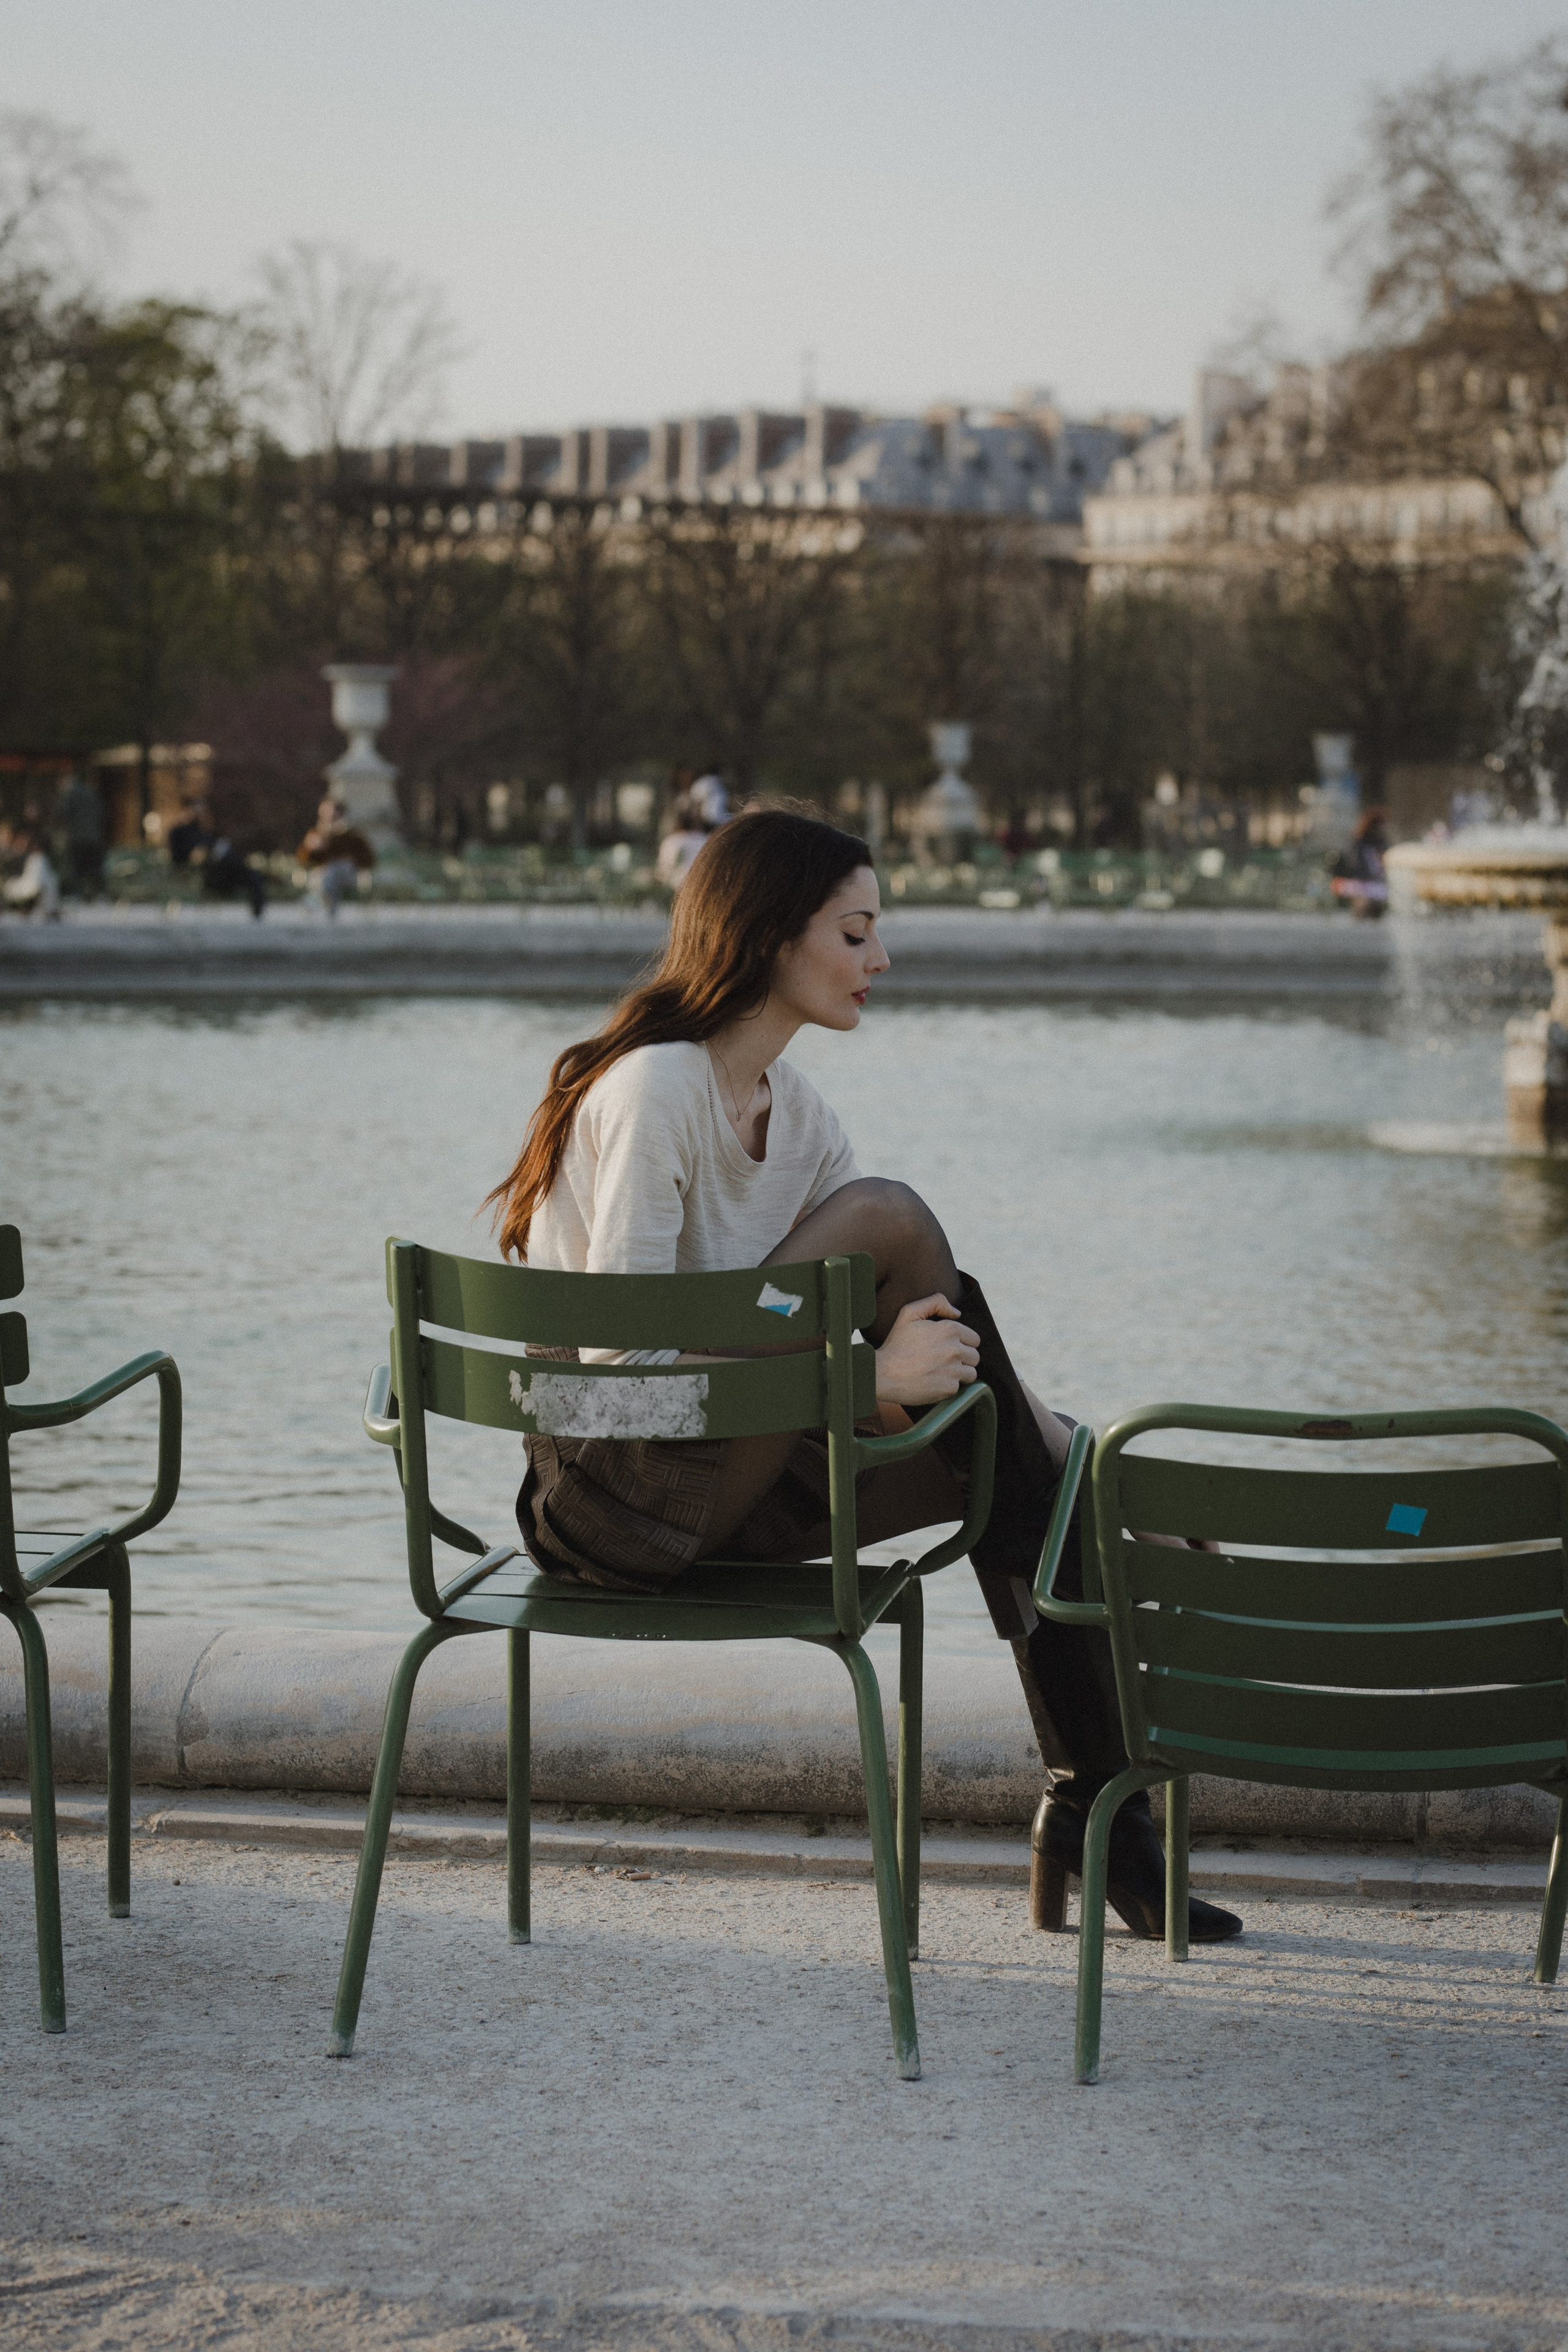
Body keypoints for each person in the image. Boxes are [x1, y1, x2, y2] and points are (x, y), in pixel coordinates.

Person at [486, 807, 1241, 1944]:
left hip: (729, 1486)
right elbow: (615, 1387)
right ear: (770, 935)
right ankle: (1101, 1802)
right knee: (898, 1230)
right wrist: (858, 1389)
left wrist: (1013, 1429)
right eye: (856, 932)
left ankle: (1089, 1796)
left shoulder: (802, 1122)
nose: (880, 960)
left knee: (992, 1459)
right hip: (618, 1502)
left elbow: (908, 1363)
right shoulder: (658, 1092)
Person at [169, 796, 267, 918]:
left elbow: (216, 847)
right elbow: (177, 856)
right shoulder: (178, 833)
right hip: (209, 874)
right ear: (186, 810)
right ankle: (256, 875)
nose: (199, 813)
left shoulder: (204, 831)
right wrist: (192, 855)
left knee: (252, 874)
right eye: (196, 809)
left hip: (225, 870)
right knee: (236, 865)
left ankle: (258, 911)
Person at [298, 795, 375, 917]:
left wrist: (348, 859)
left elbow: (368, 859)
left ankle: (317, 901)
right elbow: (304, 860)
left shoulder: (352, 834)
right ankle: (329, 908)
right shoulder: (316, 833)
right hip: (323, 874)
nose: (325, 815)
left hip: (349, 874)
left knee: (335, 869)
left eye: (329, 811)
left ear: (339, 813)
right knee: (330, 874)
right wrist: (311, 849)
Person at [1331, 809, 1390, 919]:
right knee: (1363, 903)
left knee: (1377, 904)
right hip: (1360, 881)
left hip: (1376, 882)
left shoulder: (1382, 843)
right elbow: (1354, 864)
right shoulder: (1360, 842)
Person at [57, 772, 106, 900]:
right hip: (94, 838)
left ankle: (77, 895)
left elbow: (62, 814)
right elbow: (101, 814)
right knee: (93, 870)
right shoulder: (92, 794)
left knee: (76, 869)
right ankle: (96, 894)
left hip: (77, 839)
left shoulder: (70, 795)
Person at [1, 827, 61, 919]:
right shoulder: (8, 854)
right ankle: (48, 908)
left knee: (47, 874)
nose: (24, 843)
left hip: (34, 883)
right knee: (41, 864)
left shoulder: (31, 856)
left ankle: (45, 907)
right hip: (13, 884)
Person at [654, 797, 712, 890]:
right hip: (700, 889)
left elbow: (663, 872)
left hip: (675, 889)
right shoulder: (707, 840)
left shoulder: (671, 841)